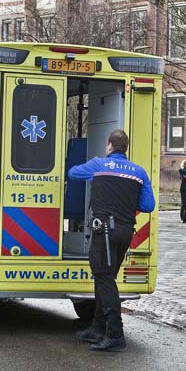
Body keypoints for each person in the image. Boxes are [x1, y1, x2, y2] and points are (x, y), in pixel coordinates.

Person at [68, 130, 155, 352]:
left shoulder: (98, 165)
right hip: (125, 232)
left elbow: (73, 173)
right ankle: (97, 328)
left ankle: (116, 334)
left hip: (104, 232)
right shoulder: (139, 172)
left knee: (105, 280)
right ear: (125, 148)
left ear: (109, 146)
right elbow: (148, 206)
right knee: (105, 279)